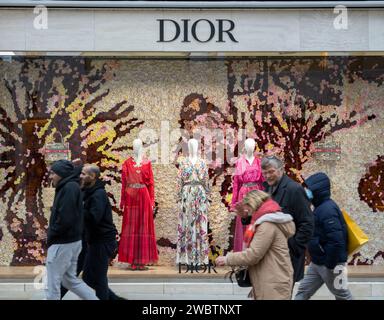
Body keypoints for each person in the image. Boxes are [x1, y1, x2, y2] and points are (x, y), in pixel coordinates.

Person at [216, 190, 295, 300]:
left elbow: (253, 255)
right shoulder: (266, 222)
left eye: (248, 207)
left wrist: (227, 259)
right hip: (272, 279)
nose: (247, 211)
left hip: (273, 283)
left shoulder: (267, 226)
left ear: (254, 204)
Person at [251, 156, 314, 283]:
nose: (268, 176)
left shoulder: (294, 189)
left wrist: (293, 246)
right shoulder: (265, 189)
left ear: (281, 170)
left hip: (287, 257)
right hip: (268, 256)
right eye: (264, 173)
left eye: (271, 171)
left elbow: (307, 223)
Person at [295, 172, 353, 300]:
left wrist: (330, 265)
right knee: (303, 292)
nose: (306, 191)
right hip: (317, 263)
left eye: (308, 189)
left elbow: (337, 241)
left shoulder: (328, 210)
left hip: (332, 264)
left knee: (343, 295)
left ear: (317, 190)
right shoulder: (319, 207)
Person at [46, 159, 98, 300]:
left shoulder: (68, 188)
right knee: (70, 281)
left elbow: (66, 219)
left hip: (62, 243)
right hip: (71, 242)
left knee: (52, 284)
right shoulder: (70, 186)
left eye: (53, 173)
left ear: (61, 174)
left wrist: (52, 233)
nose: (50, 176)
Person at [79, 164, 126, 300]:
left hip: (103, 241)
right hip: (95, 241)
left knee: (99, 278)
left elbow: (94, 217)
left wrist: (78, 209)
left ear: (92, 177)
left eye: (83, 174)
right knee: (88, 277)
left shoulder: (98, 194)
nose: (80, 176)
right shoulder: (88, 191)